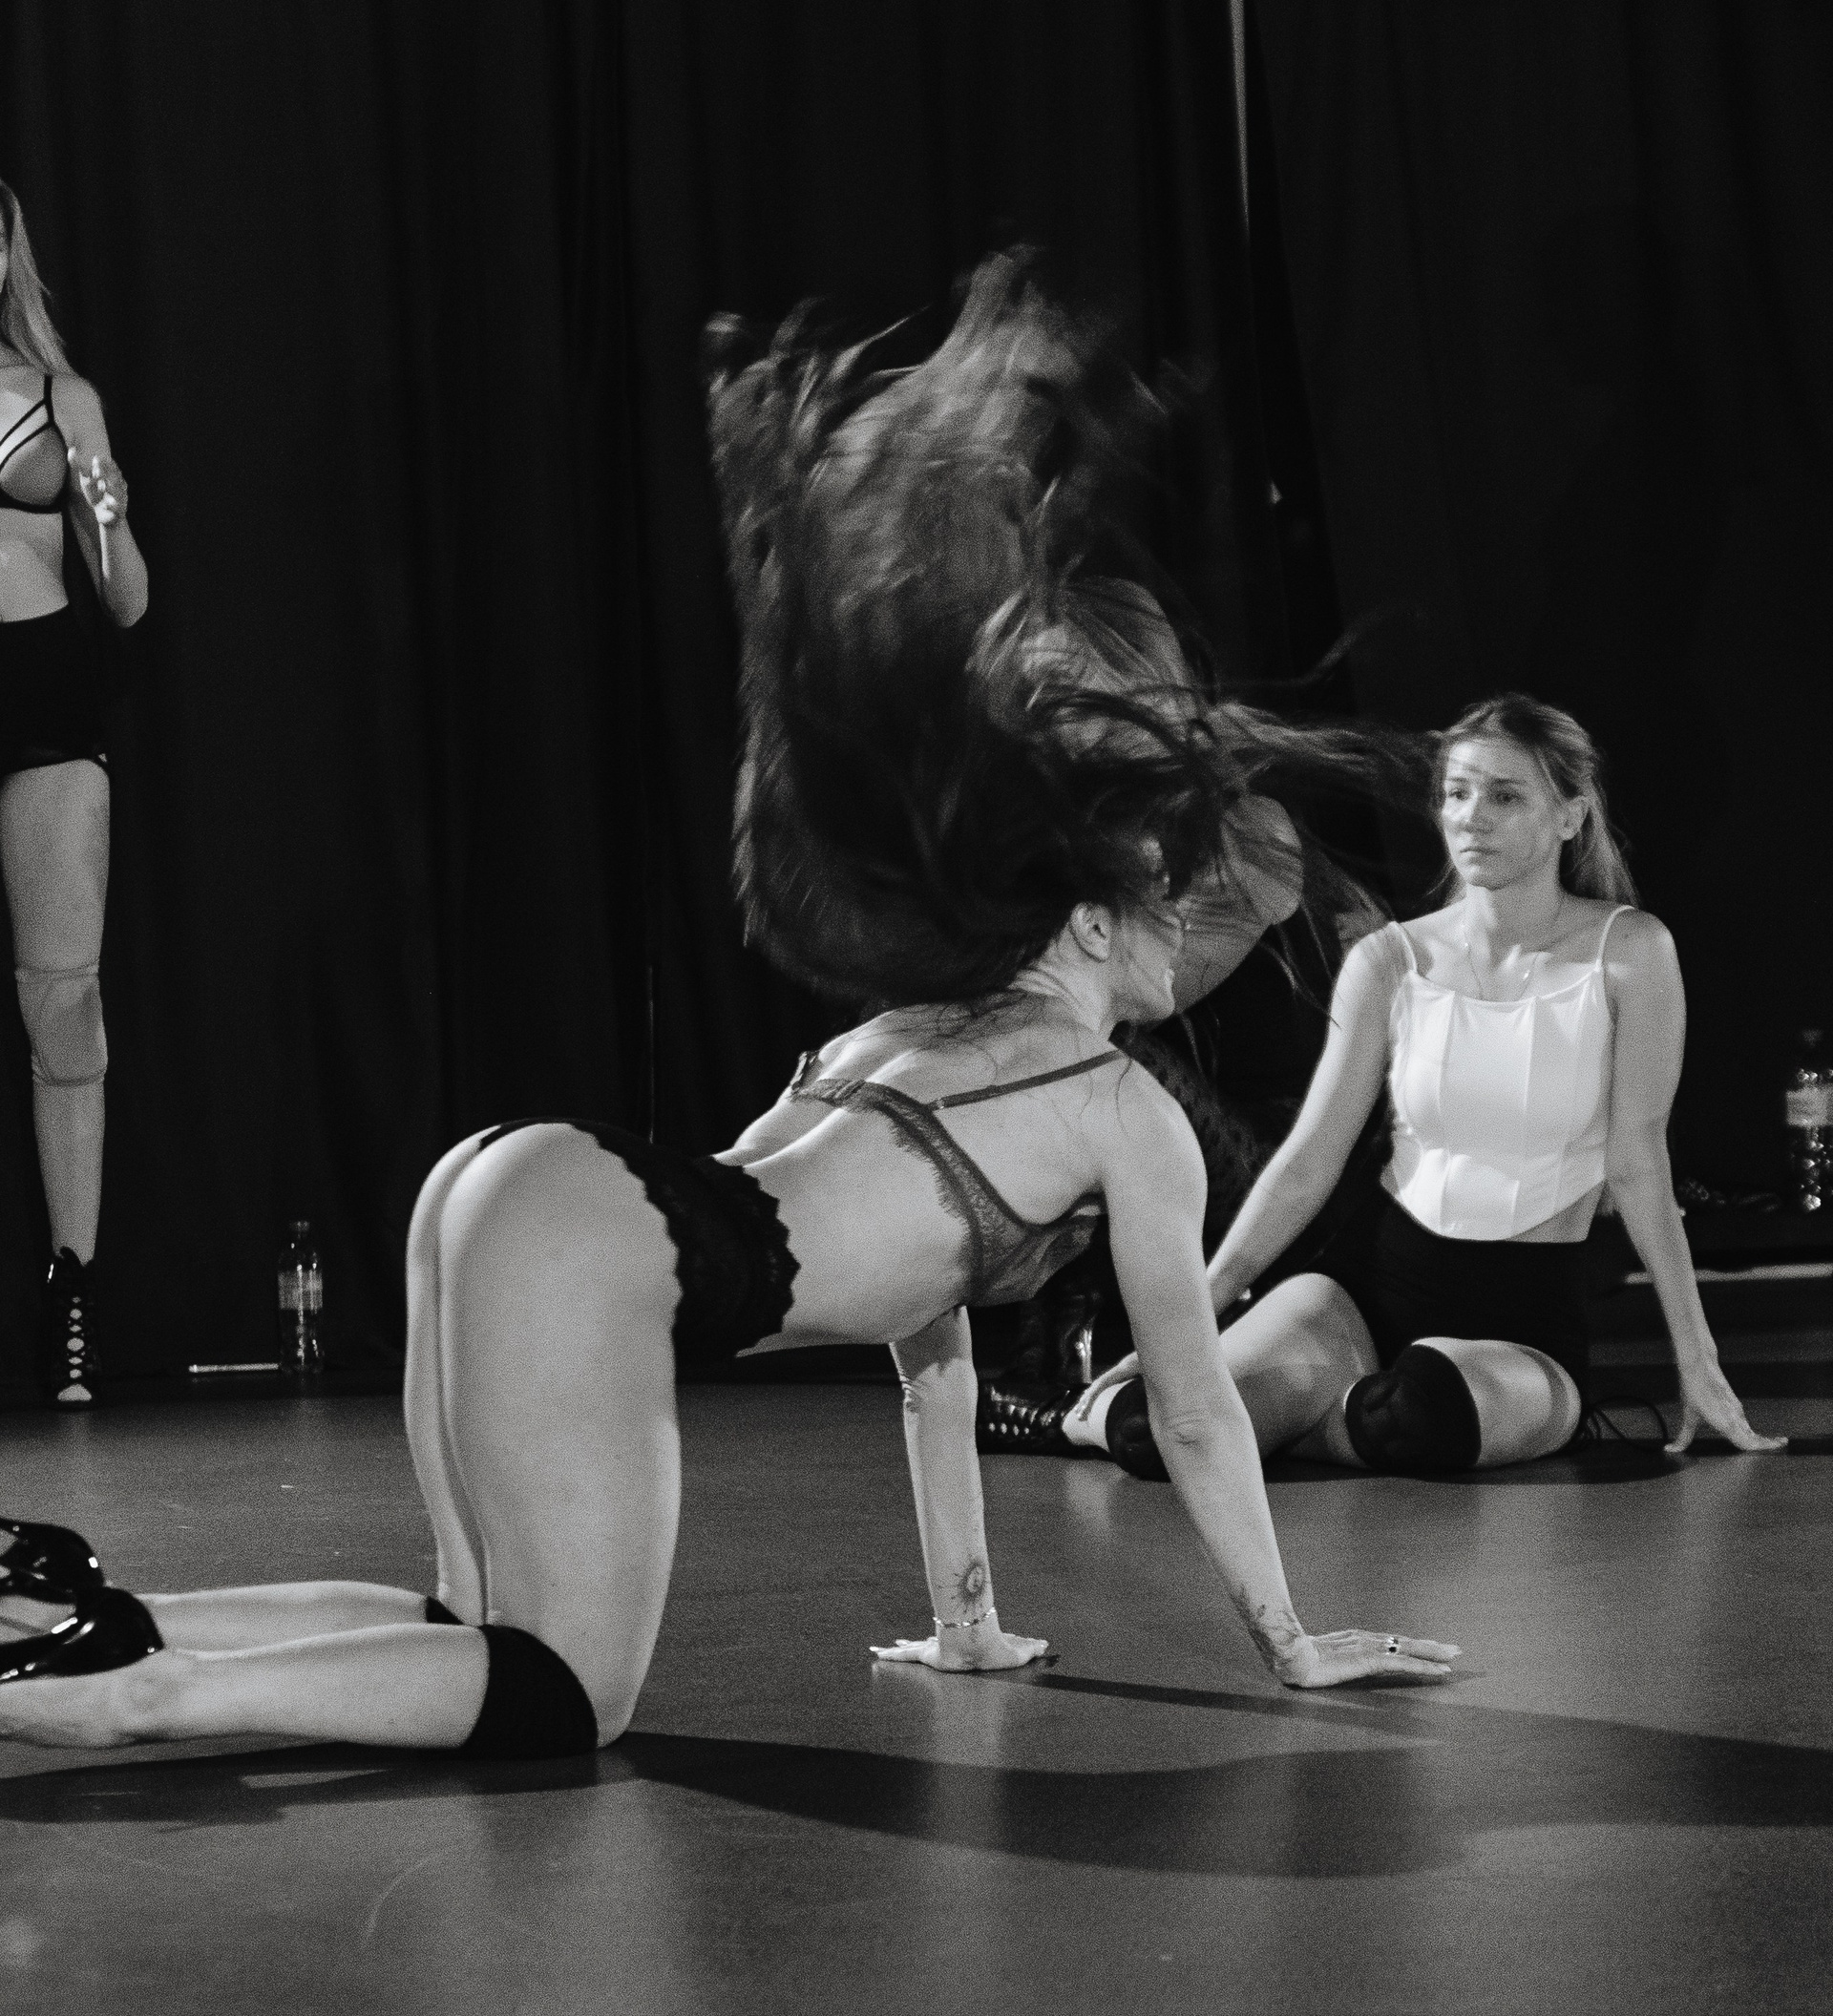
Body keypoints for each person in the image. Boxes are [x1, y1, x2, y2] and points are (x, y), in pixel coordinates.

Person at [0, 259, 1455, 1760]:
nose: (1184, 961)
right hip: (589, 1237)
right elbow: (1197, 1405)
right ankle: (136, 1699)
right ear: (1088, 910)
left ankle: (79, 1614)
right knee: (564, 1691)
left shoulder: (913, 1030)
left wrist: (966, 1618)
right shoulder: (1115, 1106)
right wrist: (1293, 1643)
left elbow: (935, 1377)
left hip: (501, 1183)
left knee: (465, 1623)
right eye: (1174, 920)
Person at [1067, 693, 1785, 1478]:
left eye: (1504, 796)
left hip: (1523, 1323)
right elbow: (1308, 1160)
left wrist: (1698, 1360)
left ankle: (1310, 1415)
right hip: (1365, 1286)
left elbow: (1639, 1162)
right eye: (1457, 793)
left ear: (1570, 815)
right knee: (1152, 1432)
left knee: (1414, 1413)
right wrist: (1188, 1322)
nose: (1472, 817)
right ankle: (1161, 1411)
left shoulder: (1631, 952)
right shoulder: (1388, 959)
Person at [0, 179, 150, 1405]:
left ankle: (74, 1292)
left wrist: (107, 518)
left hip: (45, 704)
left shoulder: (64, 398)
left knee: (65, 1001)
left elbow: (132, 599)